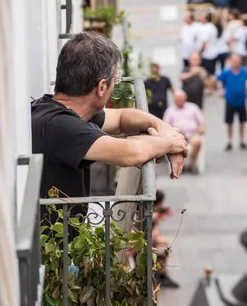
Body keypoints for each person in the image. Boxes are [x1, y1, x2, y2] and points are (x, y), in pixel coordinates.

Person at [32, 32, 188, 229]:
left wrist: (164, 130)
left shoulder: (60, 111)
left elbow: (123, 118)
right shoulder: (60, 126)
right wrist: (171, 143)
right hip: (55, 254)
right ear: (102, 86)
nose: (115, 84)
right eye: (115, 79)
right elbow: (131, 153)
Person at [163, 90, 205, 173]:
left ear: (185, 98)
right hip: (178, 135)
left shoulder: (193, 107)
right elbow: (165, 125)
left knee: (198, 141)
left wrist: (201, 128)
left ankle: (191, 164)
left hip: (192, 134)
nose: (180, 101)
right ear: (174, 100)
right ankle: (179, 165)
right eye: (178, 99)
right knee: (174, 144)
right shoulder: (170, 110)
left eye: (181, 99)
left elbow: (201, 122)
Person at [217, 55, 247, 151]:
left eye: (238, 61)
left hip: (242, 100)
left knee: (242, 122)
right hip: (230, 100)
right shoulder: (226, 72)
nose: (236, 63)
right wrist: (221, 90)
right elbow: (218, 80)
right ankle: (229, 141)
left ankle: (242, 140)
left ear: (240, 62)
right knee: (229, 122)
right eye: (234, 61)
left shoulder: (244, 72)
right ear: (231, 62)